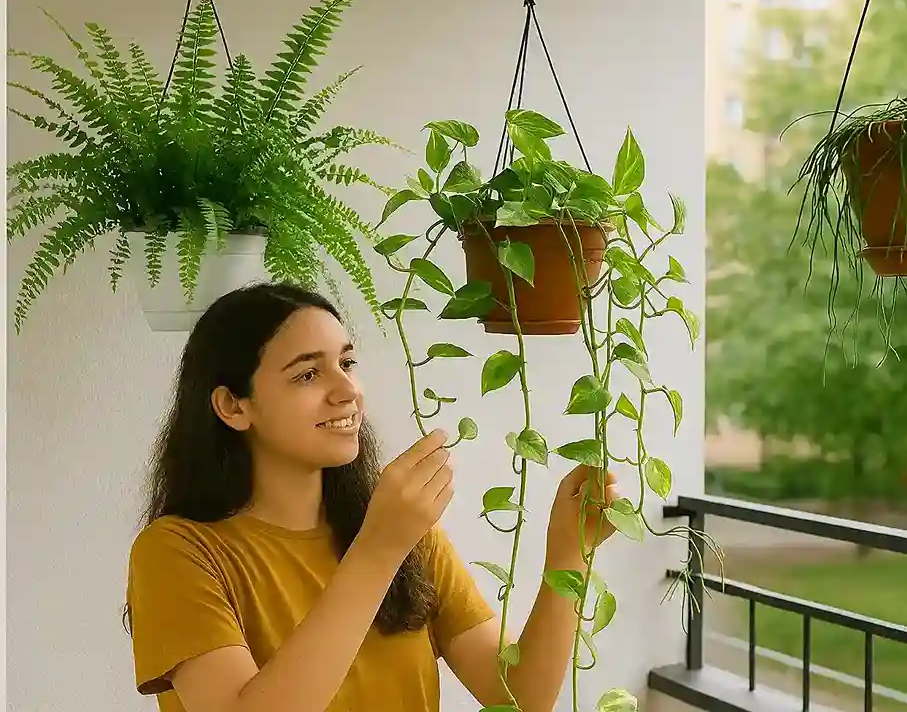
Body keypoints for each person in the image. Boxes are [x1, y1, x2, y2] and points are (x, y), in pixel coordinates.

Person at [124, 281, 621, 712]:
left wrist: (569, 555)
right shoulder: (177, 553)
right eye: (307, 373)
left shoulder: (403, 533)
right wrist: (380, 548)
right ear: (233, 405)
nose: (347, 390)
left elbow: (521, 697)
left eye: (346, 362)